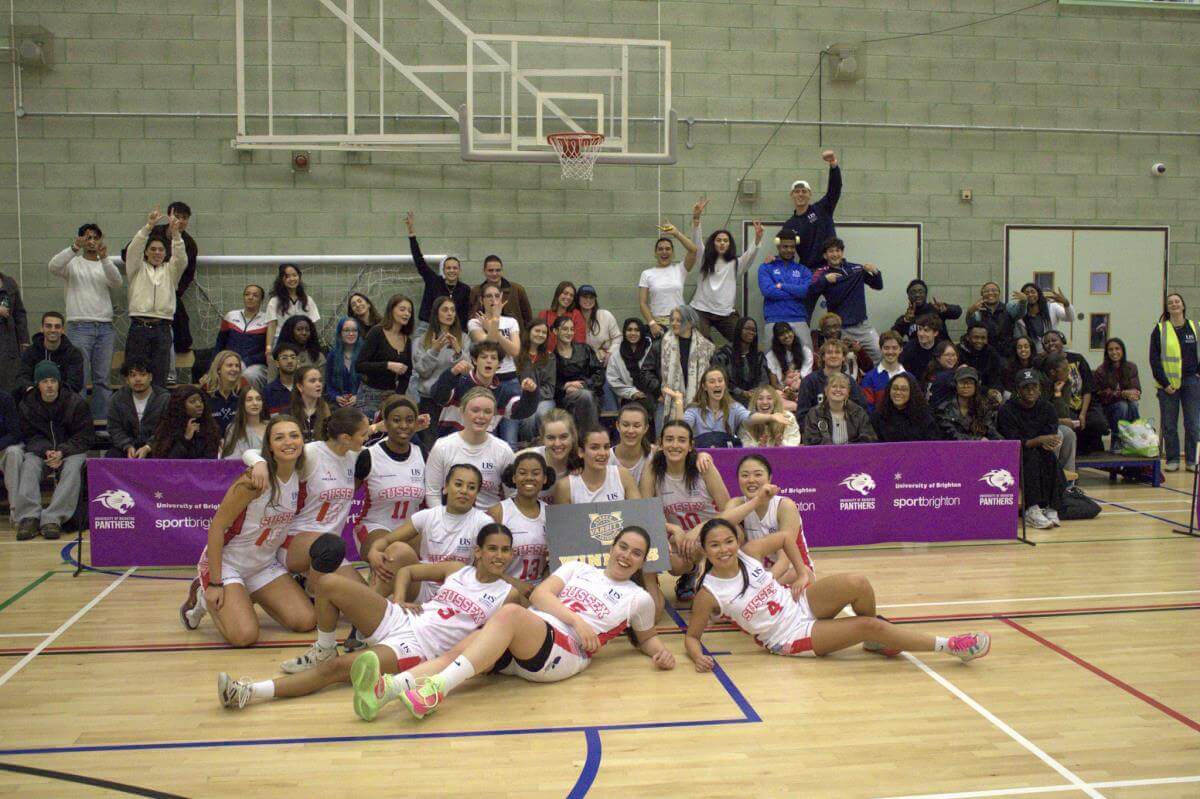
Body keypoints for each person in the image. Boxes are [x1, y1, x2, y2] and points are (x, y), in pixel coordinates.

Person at [378, 527, 675, 721]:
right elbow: (542, 595)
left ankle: (437, 690)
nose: (626, 556)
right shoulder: (579, 568)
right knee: (460, 649)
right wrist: (577, 620)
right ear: (612, 547)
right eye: (623, 547)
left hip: (564, 653)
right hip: (531, 636)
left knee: (509, 613)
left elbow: (646, 637)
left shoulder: (639, 598)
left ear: (642, 560)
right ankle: (391, 688)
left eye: (636, 553)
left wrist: (661, 653)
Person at [216, 526, 520, 710]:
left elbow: (500, 638)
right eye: (492, 548)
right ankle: (322, 645)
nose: (499, 555)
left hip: (419, 649)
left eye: (506, 551)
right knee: (328, 583)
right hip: (401, 619)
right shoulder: (457, 569)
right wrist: (400, 598)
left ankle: (248, 692)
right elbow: (407, 570)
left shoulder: (508, 594)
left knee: (335, 669)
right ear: (478, 552)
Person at [685, 518, 990, 664]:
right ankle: (950, 646)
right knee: (870, 624)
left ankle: (877, 640)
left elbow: (785, 538)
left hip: (799, 602)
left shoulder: (748, 552)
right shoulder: (708, 593)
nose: (724, 549)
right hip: (787, 637)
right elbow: (692, 636)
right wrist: (698, 657)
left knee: (857, 582)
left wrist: (802, 571)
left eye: (728, 541)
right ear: (705, 549)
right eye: (715, 544)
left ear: (736, 541)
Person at [238, 407, 373, 672]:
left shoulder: (353, 454)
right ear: (345, 437)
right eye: (364, 433)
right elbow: (253, 452)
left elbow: (381, 434)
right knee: (329, 551)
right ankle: (312, 594)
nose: (368, 436)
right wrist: (259, 463)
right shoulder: (312, 453)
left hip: (328, 549)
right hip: (295, 541)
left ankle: (307, 587)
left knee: (363, 601)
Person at [178, 415, 317, 646]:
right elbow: (216, 528)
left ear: (303, 442)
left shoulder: (300, 479)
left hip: (263, 565)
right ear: (269, 447)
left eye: (294, 435)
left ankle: (242, 595)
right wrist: (215, 582)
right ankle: (203, 596)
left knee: (306, 621)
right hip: (229, 564)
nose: (288, 442)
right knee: (244, 637)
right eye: (279, 438)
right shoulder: (253, 481)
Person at [365, 463, 495, 602]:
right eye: (458, 484)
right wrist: (374, 551)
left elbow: (488, 568)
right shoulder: (428, 516)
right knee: (398, 550)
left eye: (471, 487)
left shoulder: (484, 523)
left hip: (459, 592)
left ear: (476, 494)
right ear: (445, 487)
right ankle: (368, 611)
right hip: (423, 587)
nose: (464, 491)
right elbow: (385, 541)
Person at [639, 419, 731, 598]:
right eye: (669, 439)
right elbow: (646, 512)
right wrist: (673, 529)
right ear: (660, 443)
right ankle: (693, 571)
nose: (675, 445)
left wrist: (699, 529)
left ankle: (715, 573)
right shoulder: (652, 469)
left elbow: (728, 510)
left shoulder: (703, 467)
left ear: (690, 446)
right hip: (680, 538)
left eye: (681, 440)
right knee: (673, 562)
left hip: (711, 530)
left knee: (735, 534)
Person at [11, 362, 92, 541]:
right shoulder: (27, 404)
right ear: (37, 384)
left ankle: (53, 518)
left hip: (71, 450)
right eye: (44, 381)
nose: (49, 385)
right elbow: (29, 435)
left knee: (74, 467)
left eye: (53, 380)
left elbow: (84, 436)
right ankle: (29, 517)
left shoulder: (75, 402)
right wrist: (47, 451)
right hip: (42, 451)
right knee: (30, 464)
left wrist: (62, 452)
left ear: (59, 382)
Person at [48, 222, 121, 418]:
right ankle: (77, 423)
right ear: (81, 239)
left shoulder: (104, 264)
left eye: (95, 238)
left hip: (105, 328)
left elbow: (117, 281)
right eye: (87, 237)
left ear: (100, 240)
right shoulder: (72, 263)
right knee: (78, 378)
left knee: (102, 379)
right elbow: (53, 266)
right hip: (79, 328)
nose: (92, 241)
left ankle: (101, 424)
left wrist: (104, 258)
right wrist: (74, 248)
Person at [352, 396, 428, 569]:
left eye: (409, 420)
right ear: (385, 423)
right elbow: (347, 494)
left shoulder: (422, 453)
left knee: (435, 552)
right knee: (393, 555)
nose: (403, 426)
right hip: (375, 526)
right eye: (396, 420)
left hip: (410, 527)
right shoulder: (369, 456)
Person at [127, 209, 189, 386]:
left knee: (160, 377)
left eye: (161, 250)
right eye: (152, 249)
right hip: (139, 328)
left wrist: (175, 233)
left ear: (165, 253)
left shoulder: (171, 271)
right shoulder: (136, 268)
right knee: (137, 375)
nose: (157, 253)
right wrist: (148, 227)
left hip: (162, 329)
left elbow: (181, 258)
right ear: (146, 252)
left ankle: (159, 412)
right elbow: (134, 248)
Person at [424, 387, 514, 509]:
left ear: (493, 416)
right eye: (475, 410)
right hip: (451, 521)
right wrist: (442, 522)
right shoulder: (443, 446)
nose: (481, 416)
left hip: (490, 523)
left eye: (487, 412)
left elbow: (512, 495)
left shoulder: (503, 450)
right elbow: (432, 493)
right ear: (462, 412)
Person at [997, 369, 1065, 529]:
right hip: (1015, 454)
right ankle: (1031, 509)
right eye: (1026, 387)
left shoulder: (1047, 408)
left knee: (1050, 458)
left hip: (1041, 450)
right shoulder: (1007, 410)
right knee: (1031, 457)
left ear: (1040, 388)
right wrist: (1039, 440)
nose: (1031, 391)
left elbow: (1051, 434)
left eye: (1034, 386)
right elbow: (1013, 442)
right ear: (1018, 390)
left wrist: (1047, 441)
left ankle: (1052, 507)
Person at [690, 197, 763, 342]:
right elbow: (696, 240)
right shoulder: (704, 258)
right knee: (701, 343)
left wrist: (757, 238)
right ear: (713, 243)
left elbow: (750, 255)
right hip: (701, 310)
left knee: (741, 339)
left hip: (725, 313)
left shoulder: (735, 263)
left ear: (730, 244)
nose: (722, 243)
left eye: (725, 240)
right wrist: (696, 218)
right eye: (718, 240)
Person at [430, 341, 538, 437]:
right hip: (450, 448)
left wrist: (531, 393)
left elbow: (522, 411)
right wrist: (452, 373)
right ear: (475, 361)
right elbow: (438, 396)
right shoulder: (459, 381)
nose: (489, 361)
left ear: (499, 364)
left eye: (493, 358)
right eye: (484, 357)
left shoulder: (503, 392)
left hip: (482, 449)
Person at [666, 365, 787, 449]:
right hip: (700, 457)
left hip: (726, 456)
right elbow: (681, 429)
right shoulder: (694, 410)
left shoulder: (734, 408)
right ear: (704, 386)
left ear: (725, 384)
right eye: (712, 382)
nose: (717, 384)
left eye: (720, 381)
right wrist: (678, 402)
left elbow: (750, 417)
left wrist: (771, 417)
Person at [807, 236, 883, 364]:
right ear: (825, 255)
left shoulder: (856, 269)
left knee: (879, 353)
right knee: (843, 363)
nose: (835, 254)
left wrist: (875, 272)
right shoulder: (820, 273)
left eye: (837, 251)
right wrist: (825, 281)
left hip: (862, 326)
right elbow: (810, 291)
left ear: (842, 252)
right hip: (839, 330)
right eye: (831, 251)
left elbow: (878, 286)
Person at [644, 305, 716, 430]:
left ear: (690, 322)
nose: (674, 323)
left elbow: (713, 374)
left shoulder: (705, 347)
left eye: (678, 320)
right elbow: (645, 371)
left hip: (698, 404)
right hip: (666, 402)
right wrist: (658, 391)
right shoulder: (661, 344)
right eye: (672, 320)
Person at [1150, 292, 1200, 472]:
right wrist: (1164, 383)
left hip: (1191, 382)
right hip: (1168, 385)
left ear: (1183, 305)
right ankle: (1172, 459)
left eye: (1177, 301)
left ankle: (1192, 460)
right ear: (1167, 307)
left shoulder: (1195, 327)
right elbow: (1154, 359)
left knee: (1193, 423)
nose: (1174, 304)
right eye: (1170, 302)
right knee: (1170, 424)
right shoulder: (1160, 329)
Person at [490, 451, 552, 593]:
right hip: (502, 588)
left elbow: (554, 562)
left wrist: (544, 587)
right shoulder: (499, 511)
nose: (529, 478)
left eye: (536, 473)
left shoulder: (550, 513)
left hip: (539, 590)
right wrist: (515, 584)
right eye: (523, 473)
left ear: (544, 478)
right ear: (514, 477)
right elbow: (483, 562)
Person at [412, 295, 469, 447]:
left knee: (453, 446)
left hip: (455, 402)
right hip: (429, 401)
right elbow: (422, 371)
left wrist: (458, 351)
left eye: (452, 310)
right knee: (430, 445)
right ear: (436, 313)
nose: (450, 313)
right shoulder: (421, 340)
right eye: (445, 310)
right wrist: (434, 350)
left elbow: (468, 371)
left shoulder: (463, 339)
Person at [757, 229, 814, 374]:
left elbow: (804, 292)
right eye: (785, 246)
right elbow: (768, 291)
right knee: (771, 364)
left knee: (806, 360)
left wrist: (782, 286)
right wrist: (794, 291)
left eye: (792, 247)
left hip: (799, 319)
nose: (789, 250)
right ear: (778, 246)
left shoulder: (804, 270)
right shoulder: (766, 267)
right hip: (774, 320)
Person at [1041, 330, 1108, 456]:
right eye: (1047, 342)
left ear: (1062, 341)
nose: (1051, 344)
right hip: (1064, 403)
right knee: (1073, 423)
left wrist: (1083, 413)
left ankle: (1094, 451)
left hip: (1084, 403)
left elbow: (1088, 388)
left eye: (1054, 340)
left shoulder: (1078, 359)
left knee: (1099, 423)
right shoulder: (1045, 364)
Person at [407, 212, 471, 332]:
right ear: (443, 270)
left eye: (455, 268)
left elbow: (463, 314)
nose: (451, 270)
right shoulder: (433, 281)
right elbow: (419, 261)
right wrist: (412, 235)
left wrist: (461, 334)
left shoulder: (465, 289)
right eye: (448, 268)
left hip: (452, 328)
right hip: (427, 327)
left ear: (459, 270)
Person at [356, 293, 415, 419]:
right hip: (370, 394)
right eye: (402, 309)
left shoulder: (407, 340)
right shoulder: (377, 332)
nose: (407, 314)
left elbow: (407, 372)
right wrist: (388, 365)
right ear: (391, 310)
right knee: (369, 434)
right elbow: (360, 365)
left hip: (392, 395)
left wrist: (398, 395)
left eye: (409, 311)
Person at [779, 149, 841, 269]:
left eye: (804, 191)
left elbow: (835, 189)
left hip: (831, 267)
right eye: (797, 192)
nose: (800, 194)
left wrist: (833, 165)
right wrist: (774, 260)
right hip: (808, 272)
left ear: (809, 194)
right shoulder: (789, 225)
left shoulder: (822, 208)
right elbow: (786, 251)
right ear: (792, 195)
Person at [639, 221, 698, 338]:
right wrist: (652, 323)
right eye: (660, 249)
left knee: (681, 355)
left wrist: (676, 233)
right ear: (655, 253)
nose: (664, 252)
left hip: (681, 321)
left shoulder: (680, 269)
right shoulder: (647, 274)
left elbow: (693, 250)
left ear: (672, 252)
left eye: (668, 249)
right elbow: (643, 303)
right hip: (658, 323)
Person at [105, 357, 168, 458]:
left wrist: (148, 447)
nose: (138, 379)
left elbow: (166, 428)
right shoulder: (117, 399)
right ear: (127, 380)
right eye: (133, 375)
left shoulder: (164, 398)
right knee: (111, 456)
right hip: (126, 448)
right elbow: (114, 428)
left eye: (143, 375)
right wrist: (127, 445)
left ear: (150, 377)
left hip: (156, 446)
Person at [551, 316, 604, 433]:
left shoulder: (585, 349)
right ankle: (589, 436)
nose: (569, 332)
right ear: (555, 331)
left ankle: (586, 437)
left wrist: (583, 385)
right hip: (565, 399)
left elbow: (599, 374)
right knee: (584, 397)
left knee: (585, 396)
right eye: (565, 329)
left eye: (571, 329)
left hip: (591, 393)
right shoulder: (552, 357)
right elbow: (551, 383)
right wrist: (565, 387)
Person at [14, 312, 85, 398]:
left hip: (64, 399)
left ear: (63, 330)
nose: (53, 330)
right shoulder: (30, 352)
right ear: (42, 328)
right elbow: (22, 377)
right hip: (35, 398)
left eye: (57, 327)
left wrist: (53, 392)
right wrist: (37, 391)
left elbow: (75, 383)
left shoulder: (73, 353)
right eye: (48, 326)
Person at [795, 339, 869, 419]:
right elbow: (802, 415)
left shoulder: (850, 382)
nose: (833, 356)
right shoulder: (809, 381)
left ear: (843, 357)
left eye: (837, 352)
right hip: (816, 429)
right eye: (829, 352)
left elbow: (862, 411)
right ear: (823, 357)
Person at [215, 285, 270, 389]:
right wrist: (211, 368)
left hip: (255, 365)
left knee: (248, 375)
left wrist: (246, 362)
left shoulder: (267, 320)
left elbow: (268, 352)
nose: (250, 297)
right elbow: (219, 344)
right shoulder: (230, 316)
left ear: (261, 300)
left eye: (255, 295)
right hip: (229, 362)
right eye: (247, 294)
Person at [467, 282, 522, 386]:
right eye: (489, 296)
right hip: (484, 377)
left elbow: (514, 351)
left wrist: (491, 328)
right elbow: (489, 346)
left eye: (497, 296)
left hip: (508, 375)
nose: (493, 299)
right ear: (481, 300)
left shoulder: (511, 321)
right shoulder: (475, 322)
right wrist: (496, 320)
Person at [1093, 337, 1141, 453]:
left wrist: (1134, 394)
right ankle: (1117, 440)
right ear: (1107, 352)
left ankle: (1135, 439)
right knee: (1122, 405)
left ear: (1122, 350)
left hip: (1128, 405)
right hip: (1108, 408)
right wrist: (1122, 394)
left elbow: (1137, 390)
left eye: (1117, 349)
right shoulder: (1101, 370)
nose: (1114, 352)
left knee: (1133, 403)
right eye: (1110, 349)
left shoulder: (1131, 367)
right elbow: (1101, 395)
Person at [606, 318, 659, 423]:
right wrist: (633, 393)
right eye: (629, 330)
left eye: (637, 330)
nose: (633, 333)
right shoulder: (617, 355)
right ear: (624, 332)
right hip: (630, 397)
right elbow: (613, 380)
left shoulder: (651, 349)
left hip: (654, 393)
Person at [803, 372, 876, 445]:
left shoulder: (858, 413)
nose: (838, 390)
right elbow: (811, 441)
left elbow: (868, 439)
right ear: (826, 391)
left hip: (853, 455)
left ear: (848, 392)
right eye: (834, 386)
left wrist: (846, 451)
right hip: (824, 455)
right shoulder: (814, 414)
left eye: (842, 387)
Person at [150, 385, 221, 459]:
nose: (199, 404)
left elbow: (211, 458)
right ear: (180, 405)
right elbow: (167, 462)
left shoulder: (210, 426)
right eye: (192, 401)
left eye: (201, 401)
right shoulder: (168, 428)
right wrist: (186, 439)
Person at [264, 263, 320, 356]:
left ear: (299, 277)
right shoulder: (274, 301)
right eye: (287, 276)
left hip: (303, 342)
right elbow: (272, 326)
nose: (292, 279)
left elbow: (312, 325)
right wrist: (269, 348)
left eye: (294, 275)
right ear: (282, 279)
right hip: (281, 342)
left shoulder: (308, 300)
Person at [711, 317, 769, 407]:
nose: (751, 332)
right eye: (747, 329)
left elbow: (764, 379)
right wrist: (741, 392)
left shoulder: (759, 355)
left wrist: (756, 391)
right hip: (729, 398)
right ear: (738, 330)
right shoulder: (723, 354)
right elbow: (719, 379)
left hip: (755, 398)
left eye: (754, 330)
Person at [468, 255, 534, 330]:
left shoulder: (517, 290)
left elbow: (528, 318)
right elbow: (472, 315)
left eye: (498, 270)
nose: (494, 273)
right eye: (490, 270)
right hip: (485, 337)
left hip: (515, 338)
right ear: (484, 271)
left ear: (502, 271)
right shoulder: (476, 291)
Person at [515, 318, 556, 442]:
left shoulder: (550, 357)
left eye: (544, 333)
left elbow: (550, 387)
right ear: (529, 331)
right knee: (528, 417)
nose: (540, 334)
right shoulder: (516, 354)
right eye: (537, 331)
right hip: (522, 398)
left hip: (544, 399)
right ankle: (528, 447)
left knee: (542, 414)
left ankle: (544, 447)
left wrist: (534, 392)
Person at [870, 373, 941, 442]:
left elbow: (933, 446)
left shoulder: (924, 417)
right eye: (895, 388)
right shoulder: (878, 417)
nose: (898, 392)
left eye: (903, 390)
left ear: (912, 392)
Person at [938, 367, 1000, 441]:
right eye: (962, 382)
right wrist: (977, 440)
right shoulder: (944, 409)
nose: (966, 386)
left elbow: (991, 430)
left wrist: (1002, 443)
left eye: (970, 382)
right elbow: (951, 435)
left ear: (976, 386)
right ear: (955, 385)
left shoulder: (984, 408)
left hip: (981, 450)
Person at [1010, 284, 1072, 352]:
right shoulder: (1020, 316)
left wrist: (1066, 303)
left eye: (1033, 292)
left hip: (1053, 352)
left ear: (1039, 294)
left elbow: (1070, 318)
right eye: (1026, 293)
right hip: (1034, 357)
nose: (1030, 295)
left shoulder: (1051, 307)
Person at [893, 279, 960, 342]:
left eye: (920, 291)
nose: (917, 295)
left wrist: (946, 309)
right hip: (917, 353)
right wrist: (905, 321)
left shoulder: (936, 309)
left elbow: (958, 312)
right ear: (908, 297)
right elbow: (893, 336)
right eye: (913, 292)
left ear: (926, 294)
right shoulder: (907, 318)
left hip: (942, 352)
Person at [199, 350, 246, 435]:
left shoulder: (243, 392)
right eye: (229, 365)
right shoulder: (205, 393)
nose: (234, 369)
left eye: (237, 366)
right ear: (218, 369)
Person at [859, 330, 907, 413]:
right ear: (880, 349)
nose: (890, 352)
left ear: (901, 349)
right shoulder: (869, 378)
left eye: (894, 348)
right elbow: (868, 409)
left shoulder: (909, 378)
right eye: (886, 348)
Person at [814, 312, 870, 381]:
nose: (833, 331)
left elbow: (869, 368)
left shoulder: (850, 343)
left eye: (835, 326)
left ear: (840, 328)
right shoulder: (817, 348)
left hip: (852, 384)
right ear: (822, 331)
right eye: (828, 328)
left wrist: (860, 351)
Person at [576, 285, 621, 369]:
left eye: (591, 297)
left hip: (606, 363)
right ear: (578, 299)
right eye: (585, 297)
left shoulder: (605, 315)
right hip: (584, 366)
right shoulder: (573, 318)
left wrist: (611, 352)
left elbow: (618, 338)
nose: (588, 300)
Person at [957, 322, 1005, 400]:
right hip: (965, 392)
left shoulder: (992, 352)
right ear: (968, 337)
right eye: (976, 337)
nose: (979, 341)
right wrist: (986, 391)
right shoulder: (958, 351)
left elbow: (996, 377)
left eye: (983, 338)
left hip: (989, 391)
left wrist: (996, 391)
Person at [0, 266, 28, 397]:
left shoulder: (9, 283)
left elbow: (19, 314)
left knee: (9, 387)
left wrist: (24, 340)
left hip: (9, 344)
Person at [966, 281, 1014, 356]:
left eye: (994, 290)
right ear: (982, 294)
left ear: (999, 293)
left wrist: (1024, 302)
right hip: (984, 353)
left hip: (1006, 353)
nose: (990, 293)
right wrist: (970, 312)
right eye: (986, 291)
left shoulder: (1008, 309)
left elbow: (1020, 312)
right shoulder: (977, 310)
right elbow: (970, 325)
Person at [765, 322, 805, 410]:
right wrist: (786, 390)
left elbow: (806, 377)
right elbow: (774, 383)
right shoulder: (770, 356)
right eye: (781, 334)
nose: (786, 336)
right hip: (782, 391)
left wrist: (796, 392)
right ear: (777, 338)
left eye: (788, 332)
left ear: (793, 332)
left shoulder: (805, 351)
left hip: (802, 389)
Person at [611, 403, 655, 483]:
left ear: (646, 428)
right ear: (617, 426)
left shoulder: (654, 455)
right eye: (625, 425)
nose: (630, 430)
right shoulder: (606, 457)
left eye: (636, 426)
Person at [221, 386, 267, 460]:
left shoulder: (271, 426)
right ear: (242, 404)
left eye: (258, 399)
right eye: (249, 400)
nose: (255, 403)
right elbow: (230, 459)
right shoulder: (234, 428)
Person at [326, 317, 363, 408]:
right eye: (346, 330)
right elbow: (328, 384)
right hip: (339, 404)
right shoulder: (332, 355)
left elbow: (370, 383)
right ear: (340, 333)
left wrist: (357, 396)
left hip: (362, 403)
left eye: (354, 330)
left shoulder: (365, 353)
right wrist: (336, 397)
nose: (351, 334)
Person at [272, 315, 325, 379]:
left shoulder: (318, 356)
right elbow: (271, 384)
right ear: (290, 331)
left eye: (307, 330)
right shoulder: (278, 356)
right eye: (299, 329)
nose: (304, 333)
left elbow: (321, 384)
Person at [289, 365, 332, 442]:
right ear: (300, 386)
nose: (318, 384)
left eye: (320, 380)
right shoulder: (288, 412)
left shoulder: (327, 410)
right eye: (312, 381)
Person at [537, 281, 585, 350]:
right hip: (547, 356)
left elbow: (580, 342)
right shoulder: (544, 314)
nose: (568, 297)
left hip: (568, 358)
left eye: (571, 295)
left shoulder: (576, 315)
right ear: (558, 294)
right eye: (565, 293)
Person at [899, 314, 941, 381]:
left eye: (926, 330)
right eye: (919, 329)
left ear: (935, 333)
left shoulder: (941, 348)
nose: (921, 333)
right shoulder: (909, 349)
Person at [264, 343, 300, 415]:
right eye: (284, 358)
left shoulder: (305, 388)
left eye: (293, 357)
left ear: (297, 362)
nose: (290, 361)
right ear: (277, 363)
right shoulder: (268, 391)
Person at [925, 340, 961, 409]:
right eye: (947, 355)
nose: (951, 358)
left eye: (954, 355)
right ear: (938, 357)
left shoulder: (932, 372)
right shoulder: (947, 375)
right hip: (941, 414)